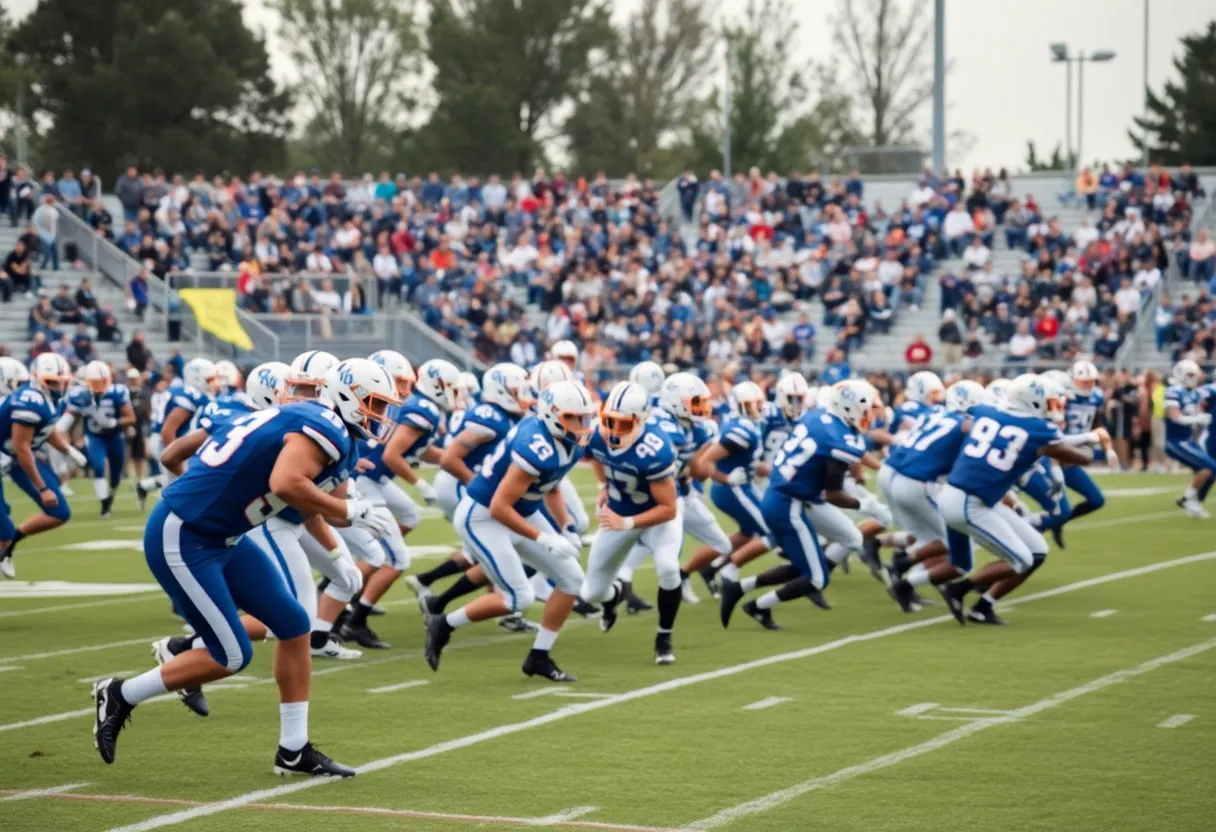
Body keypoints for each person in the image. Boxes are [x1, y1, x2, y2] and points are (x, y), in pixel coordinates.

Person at [91, 359, 399, 776]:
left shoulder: (334, 432)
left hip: (224, 535)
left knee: (295, 624)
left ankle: (294, 749)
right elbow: (287, 485)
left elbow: (327, 503)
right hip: (185, 533)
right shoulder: (323, 424)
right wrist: (348, 509)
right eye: (376, 404)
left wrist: (353, 518)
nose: (382, 416)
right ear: (347, 394)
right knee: (232, 654)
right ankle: (121, 692)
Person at [425, 380, 595, 681]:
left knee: (571, 579)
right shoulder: (536, 444)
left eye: (584, 417)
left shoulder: (566, 441)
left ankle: (539, 656)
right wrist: (543, 538)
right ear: (552, 414)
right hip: (482, 516)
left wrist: (566, 527)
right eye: (573, 417)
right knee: (519, 597)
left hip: (521, 512)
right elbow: (499, 508)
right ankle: (444, 624)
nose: (581, 425)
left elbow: (551, 486)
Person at [935, 374, 1092, 625]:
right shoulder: (1038, 429)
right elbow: (1077, 456)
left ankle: (983, 606)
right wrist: (1092, 445)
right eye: (1049, 402)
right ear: (1033, 402)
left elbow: (967, 418)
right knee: (1021, 560)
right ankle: (958, 589)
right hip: (967, 501)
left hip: (981, 500)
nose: (1053, 408)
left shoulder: (987, 411)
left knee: (1037, 551)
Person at [338, 356, 459, 649]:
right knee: (397, 558)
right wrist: (420, 483)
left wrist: (457, 463)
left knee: (409, 515)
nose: (404, 389)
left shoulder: (419, 407)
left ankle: (356, 581)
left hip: (375, 478)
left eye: (408, 383)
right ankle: (354, 617)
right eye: (401, 382)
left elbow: (420, 449)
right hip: (366, 481)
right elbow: (394, 454)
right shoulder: (424, 409)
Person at [580, 381, 682, 664]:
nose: (613, 431)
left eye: (623, 424)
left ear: (641, 420)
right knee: (592, 592)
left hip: (655, 518)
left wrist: (627, 523)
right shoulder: (596, 435)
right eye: (609, 421)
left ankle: (664, 636)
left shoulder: (656, 448)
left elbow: (669, 509)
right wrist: (604, 485)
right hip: (618, 513)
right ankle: (613, 598)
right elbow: (596, 458)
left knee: (669, 568)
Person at [0, 353, 86, 578]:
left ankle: (9, 546)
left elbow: (45, 431)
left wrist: (68, 450)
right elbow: (22, 447)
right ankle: (7, 545)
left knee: (59, 512)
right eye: (52, 381)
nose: (58, 387)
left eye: (61, 381)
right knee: (4, 529)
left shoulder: (50, 400)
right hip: (15, 457)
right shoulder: (30, 401)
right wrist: (42, 487)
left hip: (14, 460)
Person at [59, 361, 136, 518]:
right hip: (94, 437)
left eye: (102, 381)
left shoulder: (117, 391)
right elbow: (68, 419)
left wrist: (114, 423)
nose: (99, 385)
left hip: (115, 436)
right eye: (95, 382)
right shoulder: (79, 394)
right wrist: (62, 431)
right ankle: (104, 505)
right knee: (98, 467)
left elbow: (130, 417)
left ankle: (110, 496)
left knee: (116, 474)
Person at [1162, 359, 1215, 517]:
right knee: (1210, 467)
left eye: (1196, 375)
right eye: (1190, 374)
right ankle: (1188, 498)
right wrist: (1198, 419)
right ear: (1180, 374)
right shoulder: (1173, 391)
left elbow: (1212, 388)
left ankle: (1190, 500)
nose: (1194, 378)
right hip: (1176, 442)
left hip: (1188, 441)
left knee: (1207, 470)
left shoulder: (1194, 392)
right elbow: (1175, 417)